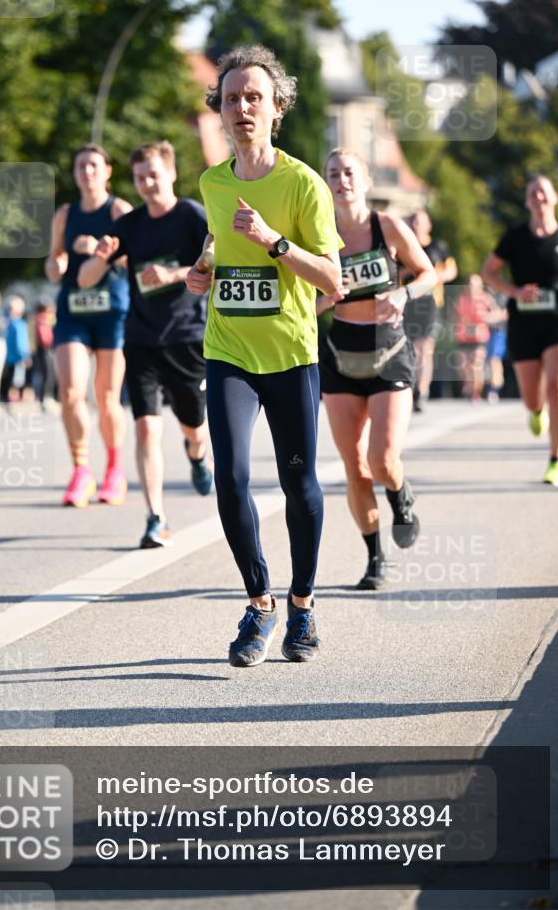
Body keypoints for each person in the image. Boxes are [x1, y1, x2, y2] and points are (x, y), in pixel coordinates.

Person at [186, 44, 342, 667]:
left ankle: (303, 603)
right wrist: (202, 272)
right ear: (219, 113)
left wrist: (274, 241)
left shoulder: (303, 183)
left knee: (299, 484)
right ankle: (261, 604)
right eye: (231, 99)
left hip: (291, 356)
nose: (242, 107)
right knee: (229, 480)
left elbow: (332, 279)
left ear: (277, 108)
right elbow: (216, 248)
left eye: (254, 97)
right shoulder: (212, 182)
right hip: (228, 352)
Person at [79, 141, 212, 548]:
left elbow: (216, 257)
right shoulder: (130, 225)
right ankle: (156, 516)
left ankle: (196, 454)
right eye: (140, 178)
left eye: (154, 175)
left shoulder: (191, 215)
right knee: (145, 429)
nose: (148, 184)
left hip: (187, 336)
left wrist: (174, 274)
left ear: (171, 173)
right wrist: (101, 258)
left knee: (193, 426)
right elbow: (85, 280)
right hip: (141, 340)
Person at [317, 150, 436, 591]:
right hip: (341, 357)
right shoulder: (319, 234)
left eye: (349, 172)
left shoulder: (386, 227)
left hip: (389, 353)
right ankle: (375, 559)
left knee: (382, 461)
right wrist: (323, 301)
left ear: (364, 179)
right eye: (333, 174)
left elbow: (428, 274)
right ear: (326, 183)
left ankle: (401, 494)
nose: (341, 180)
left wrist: (404, 295)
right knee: (355, 467)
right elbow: (301, 304)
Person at [45, 144, 132, 507]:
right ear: (75, 172)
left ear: (107, 171)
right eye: (81, 166)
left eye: (94, 165)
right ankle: (81, 470)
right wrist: (59, 266)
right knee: (69, 392)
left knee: (107, 396)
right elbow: (52, 264)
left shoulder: (119, 210)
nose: (88, 172)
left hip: (112, 311)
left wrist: (97, 248)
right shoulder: (65, 214)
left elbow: (132, 262)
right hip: (72, 312)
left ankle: (114, 469)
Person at [482, 174, 558, 486]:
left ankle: (556, 461)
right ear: (527, 201)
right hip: (523, 322)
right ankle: (536, 412)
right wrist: (516, 293)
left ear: (555, 197)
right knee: (533, 397)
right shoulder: (515, 237)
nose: (539, 198)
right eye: (533, 193)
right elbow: (489, 273)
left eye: (544, 192)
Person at [402, 210, 457, 411]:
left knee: (425, 348)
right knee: (410, 349)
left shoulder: (438, 247)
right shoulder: (402, 245)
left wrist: (430, 276)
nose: (416, 224)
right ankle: (409, 387)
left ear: (428, 225)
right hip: (407, 302)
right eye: (413, 220)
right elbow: (393, 273)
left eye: (420, 220)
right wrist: (411, 270)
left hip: (432, 303)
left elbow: (452, 271)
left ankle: (421, 392)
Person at [453, 274, 491, 402]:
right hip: (463, 337)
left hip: (479, 337)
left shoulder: (485, 299)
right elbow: (455, 316)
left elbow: (497, 313)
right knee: (462, 364)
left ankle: (475, 393)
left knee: (476, 366)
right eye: (469, 285)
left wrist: (485, 318)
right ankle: (468, 383)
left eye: (474, 285)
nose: (471, 287)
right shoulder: (461, 299)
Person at [1, 296, 31, 402]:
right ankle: (14, 399)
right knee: (17, 380)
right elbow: (21, 343)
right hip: (18, 357)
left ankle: (6, 397)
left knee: (8, 378)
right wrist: (25, 356)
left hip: (8, 357)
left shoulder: (6, 322)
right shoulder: (19, 324)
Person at [484, 290, 508, 403]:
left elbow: (505, 313)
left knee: (494, 360)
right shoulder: (484, 293)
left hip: (498, 332)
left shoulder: (503, 295)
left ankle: (494, 390)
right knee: (484, 362)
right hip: (483, 333)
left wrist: (491, 315)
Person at [32, 302, 57, 407]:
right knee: (47, 374)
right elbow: (45, 339)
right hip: (44, 350)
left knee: (47, 374)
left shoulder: (42, 320)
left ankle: (45, 397)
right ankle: (45, 397)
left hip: (44, 350)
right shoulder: (42, 320)